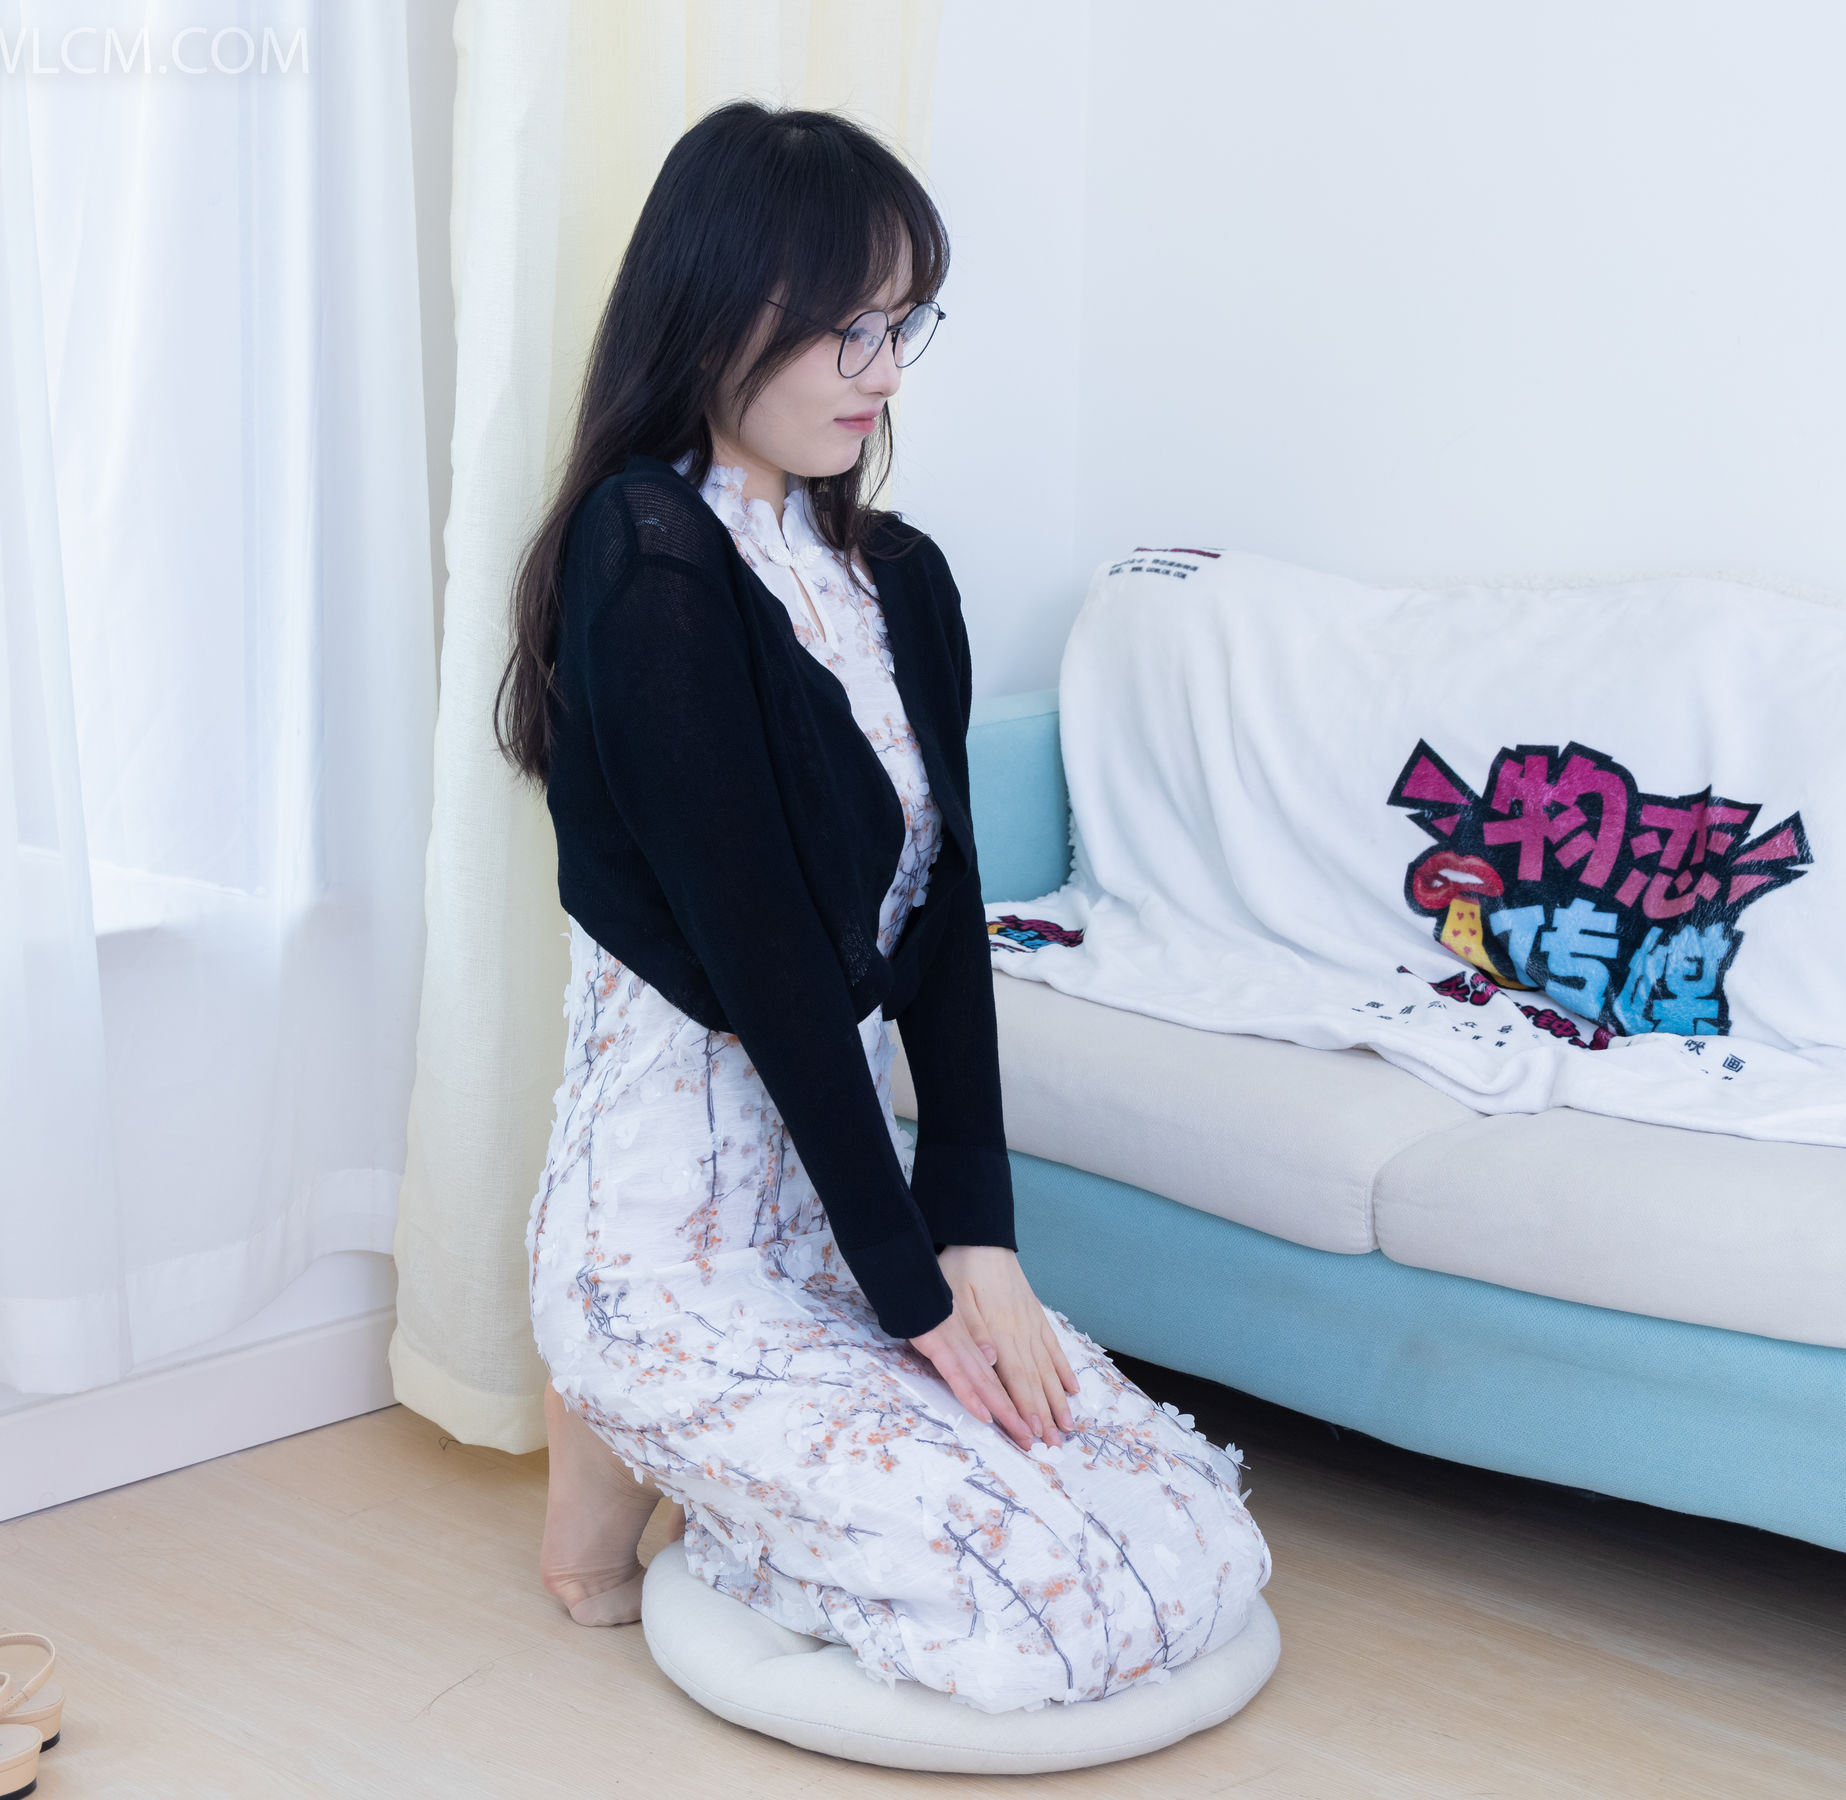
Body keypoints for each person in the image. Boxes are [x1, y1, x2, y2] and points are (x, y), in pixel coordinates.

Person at [492, 100, 1269, 1714]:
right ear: (719, 306)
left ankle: (659, 1467)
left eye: (903, 323)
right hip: (671, 1239)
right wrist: (917, 1297)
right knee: (1048, 1609)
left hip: (840, 1219)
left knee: (1188, 1536)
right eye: (847, 328)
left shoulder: (896, 575)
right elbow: (769, 965)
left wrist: (975, 1235)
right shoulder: (648, 557)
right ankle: (613, 1428)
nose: (886, 373)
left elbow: (943, 920)